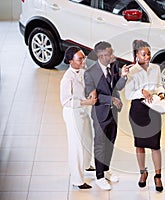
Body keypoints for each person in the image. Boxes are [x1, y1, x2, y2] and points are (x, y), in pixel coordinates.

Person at [84, 41, 131, 190]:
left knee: (110, 142)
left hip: (113, 113)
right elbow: (90, 96)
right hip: (100, 114)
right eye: (110, 53)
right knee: (100, 144)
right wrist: (110, 99)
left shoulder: (114, 66)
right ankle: (99, 176)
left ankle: (106, 170)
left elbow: (117, 87)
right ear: (102, 56)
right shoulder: (90, 73)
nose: (113, 55)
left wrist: (123, 77)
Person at [125, 39, 164, 192]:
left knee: (155, 145)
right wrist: (141, 91)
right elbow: (128, 94)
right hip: (138, 111)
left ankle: (158, 176)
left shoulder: (156, 68)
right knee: (140, 145)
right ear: (136, 56)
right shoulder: (131, 72)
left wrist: (160, 93)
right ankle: (143, 173)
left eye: (149, 53)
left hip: (154, 109)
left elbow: (160, 85)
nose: (147, 57)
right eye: (144, 54)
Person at [60, 46, 97, 190]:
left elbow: (89, 85)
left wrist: (92, 91)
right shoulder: (67, 79)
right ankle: (77, 179)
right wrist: (86, 102)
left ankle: (87, 165)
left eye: (83, 57)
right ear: (71, 61)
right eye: (80, 59)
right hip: (72, 112)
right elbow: (66, 101)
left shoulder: (83, 71)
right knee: (76, 145)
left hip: (83, 111)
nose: (83, 60)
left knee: (88, 138)